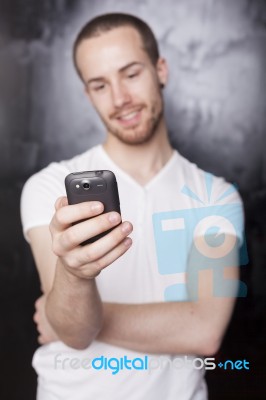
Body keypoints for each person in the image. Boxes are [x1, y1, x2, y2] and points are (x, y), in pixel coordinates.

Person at [21, 13, 244, 400]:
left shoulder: (217, 197)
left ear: (161, 70)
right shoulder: (50, 187)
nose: (120, 98)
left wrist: (77, 318)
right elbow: (74, 335)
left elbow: (205, 332)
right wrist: (74, 277)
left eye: (131, 73)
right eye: (99, 84)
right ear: (88, 94)